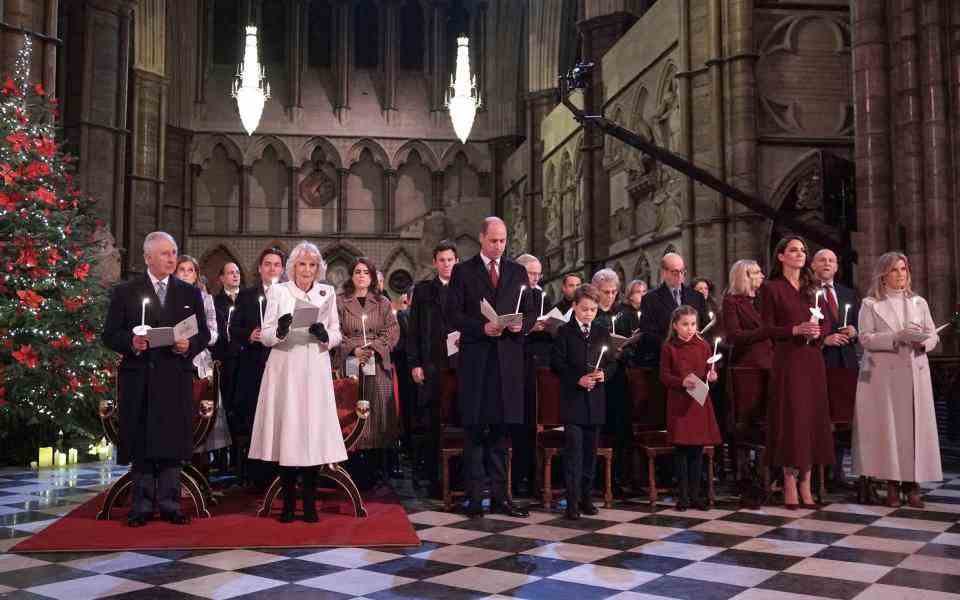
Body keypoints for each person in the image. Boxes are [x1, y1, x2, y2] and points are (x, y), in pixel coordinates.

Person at [102, 231, 211, 527]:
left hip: (175, 376)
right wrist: (131, 343)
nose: (171, 258)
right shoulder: (127, 291)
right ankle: (141, 506)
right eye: (165, 253)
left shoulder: (189, 293)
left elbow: (204, 334)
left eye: (174, 252)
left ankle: (171, 504)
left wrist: (190, 345)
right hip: (141, 378)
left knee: (172, 442)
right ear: (148, 257)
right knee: (143, 441)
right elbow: (110, 334)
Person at [249, 242, 346, 522]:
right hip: (286, 367)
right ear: (292, 267)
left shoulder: (326, 293)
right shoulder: (279, 291)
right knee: (289, 432)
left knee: (312, 433)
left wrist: (324, 334)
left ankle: (310, 504)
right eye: (302, 264)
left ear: (318, 269)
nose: (307, 270)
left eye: (312, 265)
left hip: (314, 366)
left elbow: (337, 332)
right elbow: (266, 334)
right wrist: (279, 330)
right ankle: (289, 503)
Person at [446, 216, 537, 518]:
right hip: (477, 363)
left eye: (503, 241)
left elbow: (528, 311)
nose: (499, 246)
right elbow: (454, 315)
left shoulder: (516, 271)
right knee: (474, 433)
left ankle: (501, 497)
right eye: (493, 240)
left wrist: (520, 326)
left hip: (507, 363)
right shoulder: (463, 272)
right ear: (482, 239)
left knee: (500, 435)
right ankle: (474, 498)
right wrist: (481, 328)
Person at [853, 252, 941, 508]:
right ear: (883, 275)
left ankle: (912, 485)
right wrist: (895, 337)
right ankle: (891, 482)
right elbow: (865, 338)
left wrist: (926, 342)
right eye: (894, 270)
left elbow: (932, 333)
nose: (900, 274)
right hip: (885, 375)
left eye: (903, 269)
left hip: (915, 370)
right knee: (890, 429)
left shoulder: (918, 302)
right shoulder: (870, 304)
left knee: (914, 428)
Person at [759, 236, 834, 509]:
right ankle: (789, 482)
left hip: (812, 360)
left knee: (812, 419)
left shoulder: (813, 287)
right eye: (793, 250)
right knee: (792, 420)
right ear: (781, 256)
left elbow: (826, 323)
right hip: (788, 361)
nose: (800, 254)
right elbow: (766, 328)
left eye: (803, 250)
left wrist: (818, 331)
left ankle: (807, 483)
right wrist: (794, 330)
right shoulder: (771, 288)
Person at [551, 284, 617, 519]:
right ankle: (571, 502)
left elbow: (612, 362)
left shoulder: (601, 332)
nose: (589, 314)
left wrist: (604, 374)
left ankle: (587, 499)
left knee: (590, 455)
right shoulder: (564, 333)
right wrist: (577, 379)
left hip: (595, 403)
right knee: (574, 454)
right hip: (573, 402)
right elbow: (557, 364)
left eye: (593, 310)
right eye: (584, 309)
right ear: (574, 307)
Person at [336, 257, 401, 483]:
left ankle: (375, 470)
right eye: (357, 272)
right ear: (352, 276)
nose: (361, 275)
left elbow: (392, 332)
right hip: (351, 364)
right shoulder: (340, 302)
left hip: (376, 363)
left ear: (372, 277)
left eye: (366, 272)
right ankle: (351, 468)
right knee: (352, 413)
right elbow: (336, 331)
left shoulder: (382, 303)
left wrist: (373, 348)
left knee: (376, 415)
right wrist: (354, 349)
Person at [230, 247, 286, 489]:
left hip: (281, 363)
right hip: (253, 365)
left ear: (282, 269)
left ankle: (281, 474)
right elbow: (233, 329)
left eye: (276, 264)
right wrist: (249, 335)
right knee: (255, 419)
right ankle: (256, 476)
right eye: (267, 264)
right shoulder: (246, 295)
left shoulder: (287, 294)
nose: (272, 268)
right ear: (260, 268)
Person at [407, 241, 459, 494]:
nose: (446, 264)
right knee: (430, 422)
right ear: (435, 262)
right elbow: (414, 330)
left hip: (459, 366)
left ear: (456, 261)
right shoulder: (424, 290)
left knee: (457, 420)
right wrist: (415, 363)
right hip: (431, 364)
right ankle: (431, 478)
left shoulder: (465, 289)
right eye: (442, 260)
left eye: (450, 260)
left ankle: (456, 477)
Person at [660, 305, 722, 510]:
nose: (690, 328)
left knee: (697, 452)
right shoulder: (669, 347)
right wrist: (681, 382)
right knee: (681, 452)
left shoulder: (703, 346)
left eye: (693, 324)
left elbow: (707, 374)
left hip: (698, 402)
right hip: (679, 404)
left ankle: (696, 495)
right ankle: (683, 496)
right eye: (685, 324)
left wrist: (712, 377)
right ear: (675, 326)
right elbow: (664, 376)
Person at [174, 256, 231, 474]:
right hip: (174, 359)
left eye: (191, 270)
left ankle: (201, 474)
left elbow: (214, 333)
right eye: (182, 269)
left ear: (197, 274)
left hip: (200, 360)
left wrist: (194, 339)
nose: (186, 273)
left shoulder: (205, 299)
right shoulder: (168, 297)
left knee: (202, 415)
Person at [590, 268, 632, 492]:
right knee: (599, 430)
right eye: (606, 291)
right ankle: (597, 479)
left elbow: (631, 343)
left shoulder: (623, 314)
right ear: (596, 290)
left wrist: (626, 349)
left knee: (619, 429)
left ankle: (618, 477)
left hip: (618, 380)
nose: (610, 296)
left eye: (614, 291)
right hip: (597, 380)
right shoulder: (591, 313)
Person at [515, 253, 549, 495]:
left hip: (541, 366)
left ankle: (539, 480)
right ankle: (517, 479)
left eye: (539, 274)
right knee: (521, 425)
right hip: (519, 365)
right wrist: (529, 326)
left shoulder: (541, 295)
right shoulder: (514, 293)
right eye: (531, 273)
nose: (536, 278)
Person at [636, 253, 708, 367]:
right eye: (675, 272)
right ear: (664, 273)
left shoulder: (696, 296)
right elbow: (647, 333)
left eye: (682, 271)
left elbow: (705, 327)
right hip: (666, 360)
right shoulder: (650, 299)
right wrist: (674, 345)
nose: (680, 276)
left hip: (694, 359)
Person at [212, 262, 241, 473]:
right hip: (224, 360)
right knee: (226, 406)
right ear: (221, 278)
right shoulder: (215, 302)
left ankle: (240, 459)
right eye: (230, 273)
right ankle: (223, 457)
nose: (235, 276)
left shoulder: (247, 299)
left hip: (244, 359)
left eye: (237, 272)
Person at [811, 249, 860, 369]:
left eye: (831, 261)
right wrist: (823, 341)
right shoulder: (806, 292)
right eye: (822, 260)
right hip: (819, 361)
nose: (827, 263)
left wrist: (854, 332)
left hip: (848, 361)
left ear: (836, 267)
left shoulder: (848, 293)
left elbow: (859, 325)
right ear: (813, 265)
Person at [721, 259, 772, 368]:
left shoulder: (765, 297)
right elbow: (734, 335)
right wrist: (765, 332)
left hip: (771, 359)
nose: (762, 276)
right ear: (745, 276)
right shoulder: (731, 302)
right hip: (748, 362)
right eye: (757, 272)